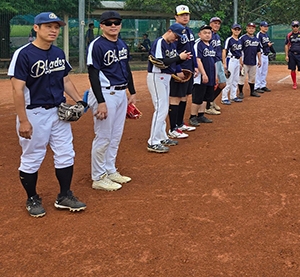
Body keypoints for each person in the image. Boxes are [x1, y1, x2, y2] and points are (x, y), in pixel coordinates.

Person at [9, 12, 87, 217]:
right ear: (36, 28)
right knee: (32, 157)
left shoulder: (58, 53)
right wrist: (23, 121)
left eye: (56, 27)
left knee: (66, 153)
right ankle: (32, 198)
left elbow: (65, 80)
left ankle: (64, 195)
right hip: (34, 113)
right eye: (48, 26)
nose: (53, 30)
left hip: (59, 112)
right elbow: (17, 90)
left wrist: (79, 101)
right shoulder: (23, 54)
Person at [86, 11, 137, 191]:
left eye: (116, 22)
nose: (113, 25)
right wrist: (101, 102)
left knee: (115, 136)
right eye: (109, 23)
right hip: (105, 93)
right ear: (102, 26)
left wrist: (132, 91)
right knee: (103, 136)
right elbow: (92, 74)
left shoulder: (121, 44)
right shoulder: (97, 45)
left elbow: (126, 68)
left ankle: (110, 169)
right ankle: (98, 177)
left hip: (121, 93)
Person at [147, 23, 191, 153]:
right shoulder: (160, 42)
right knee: (161, 108)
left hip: (166, 77)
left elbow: (173, 61)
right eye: (176, 36)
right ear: (170, 31)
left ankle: (162, 137)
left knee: (164, 108)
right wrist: (178, 57)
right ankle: (153, 141)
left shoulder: (171, 44)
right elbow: (159, 62)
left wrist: (182, 59)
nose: (176, 39)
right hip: (157, 77)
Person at [167, 5, 197, 140]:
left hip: (188, 68)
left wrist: (195, 66)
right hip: (179, 69)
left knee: (184, 96)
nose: (185, 17)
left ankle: (180, 123)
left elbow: (192, 50)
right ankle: (173, 128)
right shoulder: (174, 32)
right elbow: (172, 52)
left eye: (187, 14)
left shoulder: (189, 31)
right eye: (182, 15)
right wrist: (178, 69)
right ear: (176, 17)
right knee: (176, 97)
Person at [190, 25, 217, 125]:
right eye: (205, 33)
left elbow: (213, 62)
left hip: (210, 75)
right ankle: (193, 116)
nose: (207, 35)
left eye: (209, 33)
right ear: (199, 34)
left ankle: (201, 115)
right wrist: (204, 74)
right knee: (198, 97)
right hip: (200, 76)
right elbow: (198, 60)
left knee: (206, 97)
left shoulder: (211, 46)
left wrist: (215, 75)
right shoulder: (198, 45)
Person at [206, 16, 227, 115]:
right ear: (210, 24)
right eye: (215, 23)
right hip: (211, 61)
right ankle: (208, 106)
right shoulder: (208, 35)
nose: (217, 25)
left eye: (218, 23)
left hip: (218, 61)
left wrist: (223, 62)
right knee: (212, 84)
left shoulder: (217, 36)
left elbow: (221, 50)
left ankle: (211, 100)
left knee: (222, 84)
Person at [221, 23, 244, 104]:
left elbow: (240, 52)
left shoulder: (240, 40)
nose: (237, 31)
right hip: (230, 60)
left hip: (237, 61)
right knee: (229, 80)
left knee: (235, 80)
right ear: (232, 30)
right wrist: (224, 63)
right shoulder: (229, 39)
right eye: (235, 29)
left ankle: (233, 96)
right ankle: (224, 98)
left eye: (238, 29)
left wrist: (241, 63)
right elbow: (224, 51)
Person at [284, 20, 300, 89]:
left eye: (297, 26)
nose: (295, 27)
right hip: (291, 54)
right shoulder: (289, 35)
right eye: (294, 26)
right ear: (292, 27)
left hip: (299, 55)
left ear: (299, 27)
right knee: (292, 69)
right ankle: (294, 83)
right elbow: (286, 45)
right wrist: (286, 55)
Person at [239, 22, 263, 96]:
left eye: (252, 28)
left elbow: (258, 51)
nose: (251, 29)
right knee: (242, 78)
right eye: (249, 28)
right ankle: (240, 92)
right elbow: (239, 50)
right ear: (246, 29)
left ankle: (252, 92)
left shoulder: (256, 39)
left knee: (252, 77)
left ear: (254, 29)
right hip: (244, 61)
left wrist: (259, 60)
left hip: (253, 61)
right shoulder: (242, 38)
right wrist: (240, 60)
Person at [255, 21, 273, 93]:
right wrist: (266, 45)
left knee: (264, 71)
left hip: (266, 55)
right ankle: (257, 86)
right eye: (264, 26)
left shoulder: (266, 35)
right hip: (260, 55)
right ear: (260, 27)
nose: (266, 28)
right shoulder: (259, 34)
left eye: (267, 26)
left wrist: (273, 51)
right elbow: (258, 45)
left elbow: (268, 44)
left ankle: (262, 85)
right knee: (258, 71)